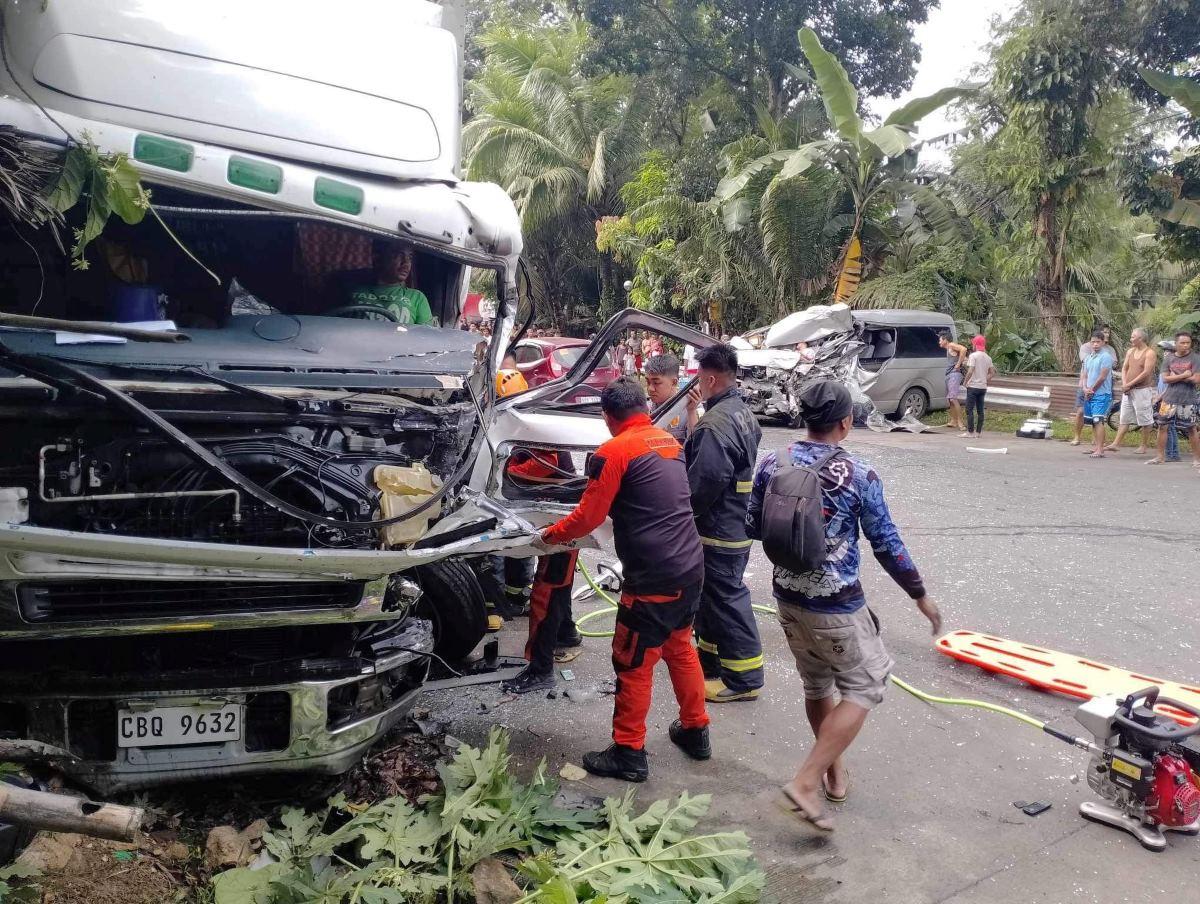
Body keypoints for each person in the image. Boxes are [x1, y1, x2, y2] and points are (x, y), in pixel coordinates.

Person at [747, 381, 942, 830]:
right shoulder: (859, 474)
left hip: (787, 598)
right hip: (836, 604)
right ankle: (807, 781)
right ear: (846, 422)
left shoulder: (772, 463)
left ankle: (835, 773)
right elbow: (886, 543)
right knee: (867, 684)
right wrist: (919, 595)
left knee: (817, 686)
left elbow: (754, 524)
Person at [539, 378, 710, 782]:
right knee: (680, 647)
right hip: (690, 567)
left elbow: (588, 519)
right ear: (644, 407)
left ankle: (629, 752)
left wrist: (547, 536)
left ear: (608, 417)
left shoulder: (613, 451)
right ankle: (695, 730)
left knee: (632, 662)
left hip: (652, 578)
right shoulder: (668, 443)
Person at [684, 344, 765, 703]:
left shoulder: (714, 425)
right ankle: (712, 660)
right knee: (714, 598)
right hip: (736, 521)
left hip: (719, 529)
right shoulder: (742, 412)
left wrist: (681, 513)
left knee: (727, 597)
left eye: (700, 378)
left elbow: (704, 483)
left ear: (711, 378)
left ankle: (744, 678)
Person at [349, 241, 435, 325]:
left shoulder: (417, 298)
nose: (406, 263)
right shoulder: (352, 290)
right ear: (377, 258)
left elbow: (425, 336)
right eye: (399, 255)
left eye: (410, 257)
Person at [1148, 331, 1200, 468]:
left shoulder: (1195, 358)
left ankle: (1197, 459)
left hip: (1188, 399)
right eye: (1182, 343)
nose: (1185, 345)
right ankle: (1160, 456)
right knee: (1162, 426)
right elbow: (1165, 378)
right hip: (1169, 398)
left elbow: (1196, 379)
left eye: (1188, 343)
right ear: (1176, 344)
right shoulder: (1169, 359)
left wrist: (1175, 376)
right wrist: (1185, 374)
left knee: (1191, 428)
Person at [1105, 328, 1157, 454]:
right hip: (1128, 390)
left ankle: (1144, 446)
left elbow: (1146, 373)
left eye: (1133, 337)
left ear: (1141, 339)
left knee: (1145, 419)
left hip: (1142, 390)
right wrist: (1125, 384)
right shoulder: (1130, 351)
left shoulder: (1149, 353)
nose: (1131, 339)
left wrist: (1130, 384)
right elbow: (1124, 368)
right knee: (1124, 417)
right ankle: (1116, 443)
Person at [1072, 327, 1117, 445]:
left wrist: (1092, 390)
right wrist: (1086, 388)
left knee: (1097, 417)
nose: (1106, 334)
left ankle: (1097, 442)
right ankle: (1077, 437)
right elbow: (1086, 368)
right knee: (1081, 411)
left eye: (1108, 332)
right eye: (1104, 332)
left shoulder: (1109, 351)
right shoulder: (1086, 348)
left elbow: (1107, 370)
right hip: (1085, 386)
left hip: (1101, 388)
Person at [645, 353, 700, 443]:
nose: (650, 388)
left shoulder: (690, 406)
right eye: (648, 382)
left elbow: (696, 445)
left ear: (674, 382)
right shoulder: (645, 408)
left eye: (656, 383)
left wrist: (692, 412)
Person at [961, 335, 995, 438]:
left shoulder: (973, 356)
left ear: (975, 344)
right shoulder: (988, 357)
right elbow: (992, 373)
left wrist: (965, 381)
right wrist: (984, 379)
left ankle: (970, 432)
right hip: (983, 387)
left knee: (969, 409)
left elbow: (970, 370)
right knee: (980, 410)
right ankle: (978, 432)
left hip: (973, 386)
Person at [938, 331, 968, 431]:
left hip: (954, 374)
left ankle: (960, 422)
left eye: (940, 340)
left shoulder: (951, 345)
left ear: (945, 340)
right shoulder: (949, 348)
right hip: (949, 374)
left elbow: (964, 349)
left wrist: (958, 364)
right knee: (950, 399)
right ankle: (953, 420)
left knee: (953, 398)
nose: (939, 342)